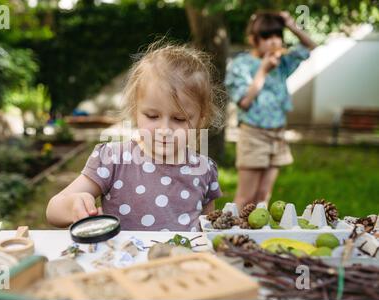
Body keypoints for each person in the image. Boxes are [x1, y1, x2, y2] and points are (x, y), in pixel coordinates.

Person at [46, 43, 224, 231]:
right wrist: (73, 205)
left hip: (180, 259)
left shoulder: (204, 169)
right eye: (152, 116)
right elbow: (53, 211)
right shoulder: (112, 159)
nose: (164, 130)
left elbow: (208, 230)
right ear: (135, 111)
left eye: (179, 119)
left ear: (201, 120)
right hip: (125, 259)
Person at [225, 11, 317, 211]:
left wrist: (290, 25)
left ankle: (254, 240)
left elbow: (310, 45)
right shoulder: (242, 65)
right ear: (253, 39)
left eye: (277, 35)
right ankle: (230, 237)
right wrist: (263, 71)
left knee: (263, 197)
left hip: (277, 134)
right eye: (267, 37)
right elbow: (245, 102)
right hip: (253, 134)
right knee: (245, 197)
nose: (274, 42)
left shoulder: (282, 63)